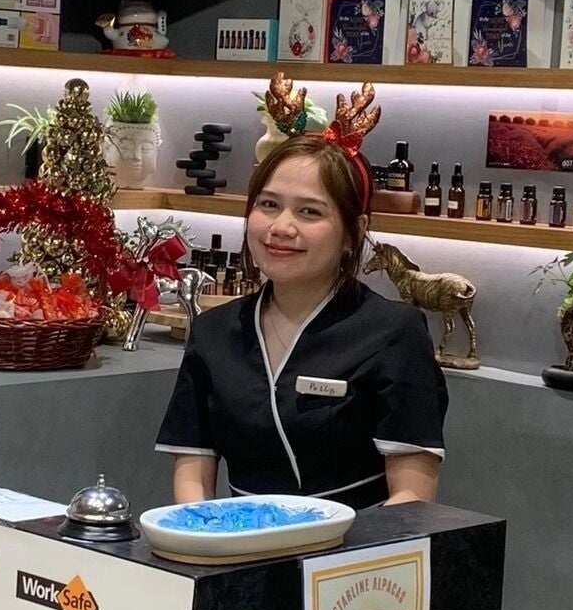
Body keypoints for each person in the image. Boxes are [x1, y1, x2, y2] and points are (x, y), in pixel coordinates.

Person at [156, 87, 448, 510]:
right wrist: (207, 539)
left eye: (310, 212)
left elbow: (412, 498)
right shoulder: (213, 331)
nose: (282, 227)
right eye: (269, 205)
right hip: (240, 549)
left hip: (353, 558)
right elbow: (193, 473)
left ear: (353, 231)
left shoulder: (393, 332)